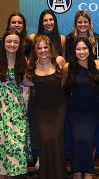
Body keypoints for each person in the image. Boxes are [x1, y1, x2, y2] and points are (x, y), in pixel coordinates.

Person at [22, 35, 67, 179]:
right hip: (40, 111)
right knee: (46, 141)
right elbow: (25, 82)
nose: (43, 50)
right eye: (39, 48)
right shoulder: (31, 65)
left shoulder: (59, 61)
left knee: (56, 140)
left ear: (50, 48)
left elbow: (63, 82)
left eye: (45, 47)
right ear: (35, 50)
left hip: (58, 109)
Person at [0, 30, 31, 178]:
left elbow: (25, 81)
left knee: (17, 144)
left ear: (20, 44)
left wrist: (46, 79)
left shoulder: (23, 60)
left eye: (15, 42)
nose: (12, 44)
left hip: (15, 107)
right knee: (0, 144)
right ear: (3, 43)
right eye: (9, 41)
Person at [65, 37, 99, 179]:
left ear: (90, 50)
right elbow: (64, 88)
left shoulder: (97, 65)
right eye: (78, 49)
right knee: (77, 139)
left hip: (92, 110)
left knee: (88, 139)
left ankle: (88, 172)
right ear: (74, 51)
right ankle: (76, 170)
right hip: (74, 110)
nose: (82, 52)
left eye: (84, 48)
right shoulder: (67, 67)